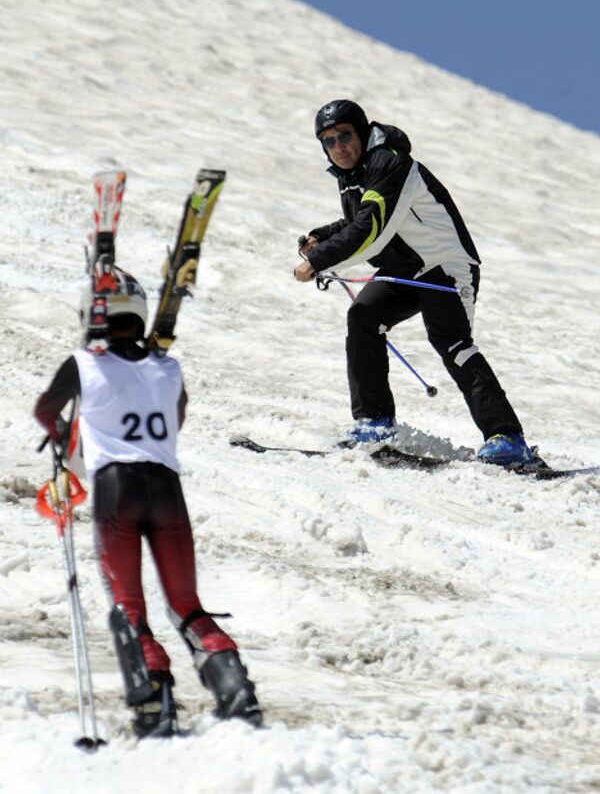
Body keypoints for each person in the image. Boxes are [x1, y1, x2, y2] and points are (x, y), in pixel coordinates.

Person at [34, 268, 262, 737]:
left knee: (129, 607)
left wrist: (64, 440)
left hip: (116, 491)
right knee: (186, 604)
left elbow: (45, 411)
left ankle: (153, 705)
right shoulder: (168, 367)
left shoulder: (84, 363)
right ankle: (236, 692)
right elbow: (174, 418)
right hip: (166, 489)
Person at [294, 99, 534, 465]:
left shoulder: (388, 161)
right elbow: (358, 221)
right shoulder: (354, 175)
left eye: (344, 136)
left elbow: (372, 228)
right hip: (403, 270)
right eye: (328, 141)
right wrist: (320, 237)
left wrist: (318, 260)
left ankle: (507, 438)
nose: (338, 147)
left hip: (444, 268)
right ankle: (374, 423)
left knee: (452, 342)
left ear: (361, 133)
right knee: (363, 316)